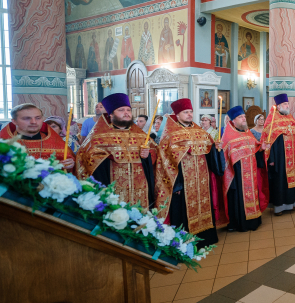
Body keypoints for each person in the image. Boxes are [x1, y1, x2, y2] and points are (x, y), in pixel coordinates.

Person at [155, 99, 224, 248]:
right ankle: (187, 243)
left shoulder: (199, 131)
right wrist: (177, 184)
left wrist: (215, 147)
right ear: (177, 114)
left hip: (202, 181)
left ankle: (206, 238)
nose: (189, 114)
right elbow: (167, 161)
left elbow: (209, 153)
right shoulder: (171, 134)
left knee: (205, 206)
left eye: (191, 112)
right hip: (183, 182)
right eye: (186, 112)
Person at [76, 93, 155, 209]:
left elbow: (155, 154)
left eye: (128, 110)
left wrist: (147, 156)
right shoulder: (98, 137)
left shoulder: (141, 136)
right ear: (111, 114)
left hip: (140, 190)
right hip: (112, 188)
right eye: (121, 110)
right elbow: (84, 159)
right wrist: (106, 157)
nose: (126, 113)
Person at [218, 106, 267, 231]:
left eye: (244, 117)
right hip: (237, 175)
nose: (244, 119)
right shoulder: (228, 136)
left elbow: (254, 148)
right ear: (233, 120)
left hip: (251, 173)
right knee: (238, 198)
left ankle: (254, 220)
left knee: (253, 194)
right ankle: (240, 223)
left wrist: (261, 148)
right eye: (241, 117)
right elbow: (224, 157)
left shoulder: (247, 132)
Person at [261, 94, 295, 215]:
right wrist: (271, 159)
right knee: (280, 181)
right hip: (280, 158)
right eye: (285, 104)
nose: (287, 106)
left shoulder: (290, 118)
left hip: (293, 157)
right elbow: (268, 140)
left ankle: (291, 204)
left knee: (292, 180)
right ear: (278, 106)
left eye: (288, 104)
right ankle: (279, 207)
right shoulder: (272, 120)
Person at [0, 105, 75, 172]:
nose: (34, 122)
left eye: (38, 118)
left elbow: (73, 167)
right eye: (27, 118)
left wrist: (70, 165)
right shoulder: (5, 143)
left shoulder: (56, 142)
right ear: (14, 121)